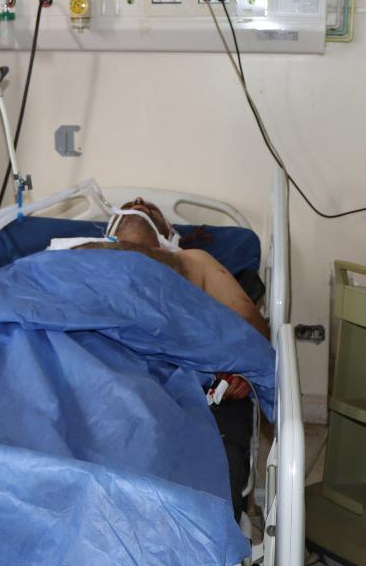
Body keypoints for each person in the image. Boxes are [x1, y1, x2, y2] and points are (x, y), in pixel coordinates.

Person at [76, 197, 267, 519]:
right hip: (80, 360)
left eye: (151, 208)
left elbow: (247, 320)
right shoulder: (74, 252)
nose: (138, 202)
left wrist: (241, 364)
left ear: (169, 235)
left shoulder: (191, 261)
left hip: (154, 373)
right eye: (132, 203)